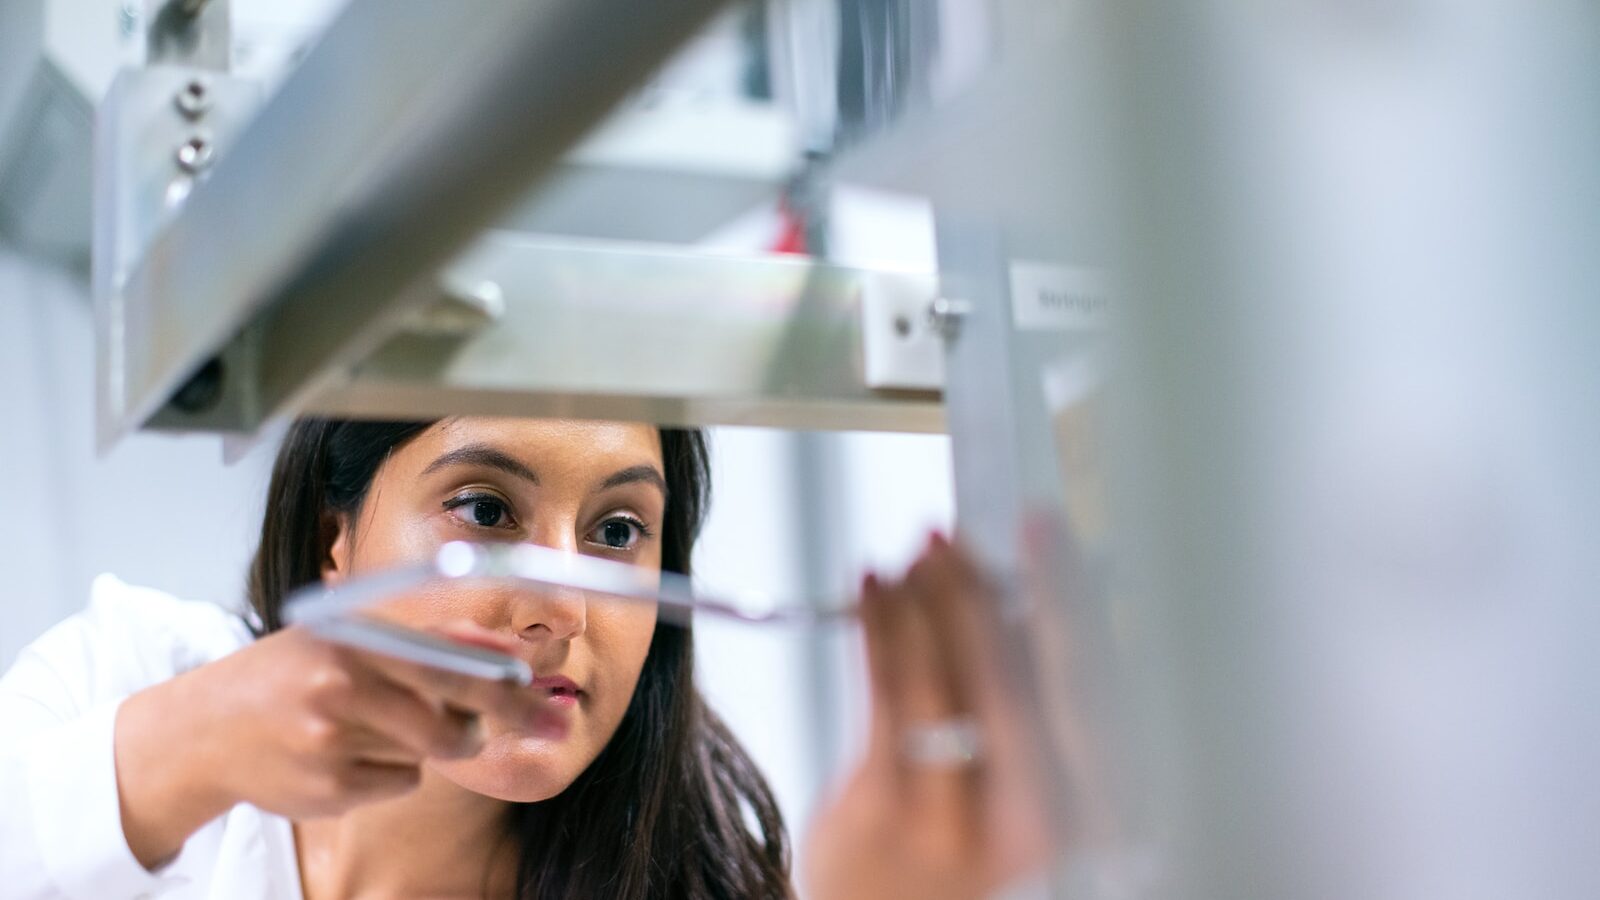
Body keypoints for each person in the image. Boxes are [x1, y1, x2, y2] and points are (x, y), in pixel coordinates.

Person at [1, 416, 1050, 899]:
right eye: (486, 509)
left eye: (618, 531)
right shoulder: (133, 673)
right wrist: (186, 748)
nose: (560, 604)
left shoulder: (696, 882)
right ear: (337, 539)